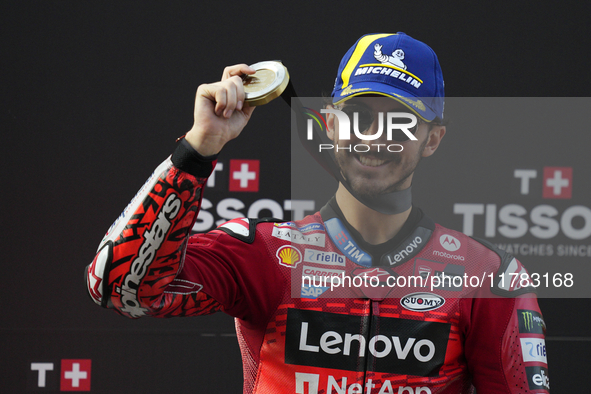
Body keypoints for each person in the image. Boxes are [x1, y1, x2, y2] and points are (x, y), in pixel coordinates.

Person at [85, 33, 549, 394]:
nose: (374, 137)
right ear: (329, 124)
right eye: (359, 116)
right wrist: (198, 149)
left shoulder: (487, 277)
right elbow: (120, 289)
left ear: (433, 139)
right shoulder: (264, 254)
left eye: (400, 121)